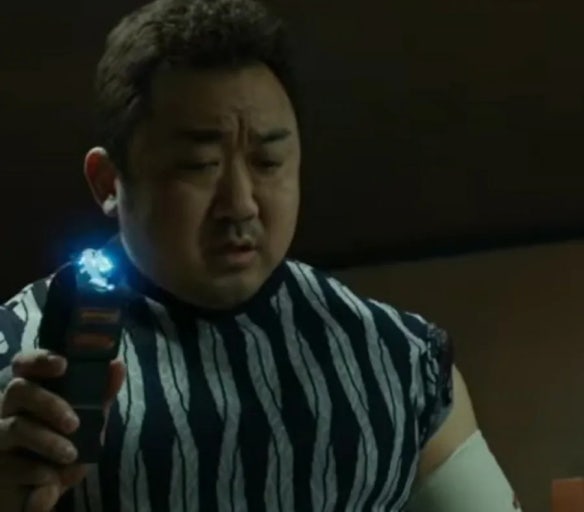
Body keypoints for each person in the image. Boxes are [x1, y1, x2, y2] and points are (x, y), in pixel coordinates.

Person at [0, 0, 521, 510]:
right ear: (108, 181)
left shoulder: (400, 360)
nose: (241, 203)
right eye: (199, 165)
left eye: (268, 161)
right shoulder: (13, 352)